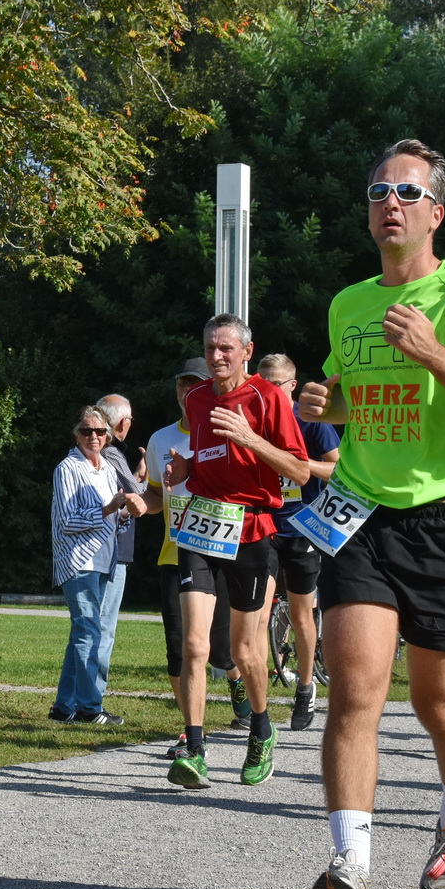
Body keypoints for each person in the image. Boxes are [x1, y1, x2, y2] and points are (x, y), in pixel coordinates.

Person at [297, 139, 445, 889]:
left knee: (439, 704)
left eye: (406, 192)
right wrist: (326, 403)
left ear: (436, 213)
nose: (389, 203)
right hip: (361, 512)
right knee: (355, 688)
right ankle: (350, 865)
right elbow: (353, 400)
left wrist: (432, 352)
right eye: (377, 191)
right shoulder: (349, 303)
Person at [163, 315, 309, 789]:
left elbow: (300, 471)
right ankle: (195, 748)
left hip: (251, 529)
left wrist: (249, 437)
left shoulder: (267, 398)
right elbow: (207, 458)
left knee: (245, 651)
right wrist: (185, 469)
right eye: (210, 348)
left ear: (247, 351)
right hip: (202, 527)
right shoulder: (197, 398)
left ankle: (261, 729)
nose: (216, 356)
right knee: (194, 644)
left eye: (226, 348)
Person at [143, 360, 252, 749]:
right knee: (180, 647)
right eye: (181, 385)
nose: (187, 392)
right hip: (176, 554)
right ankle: (190, 728)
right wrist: (142, 504)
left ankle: (235, 680)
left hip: (220, 553)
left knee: (220, 650)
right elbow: (155, 494)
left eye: (196, 385)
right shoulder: (160, 439)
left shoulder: (227, 430)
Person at [255, 353, 340, 731]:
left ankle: (305, 687)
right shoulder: (252, 420)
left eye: (276, 384)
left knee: (301, 614)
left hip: (303, 528)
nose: (268, 390)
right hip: (263, 527)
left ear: (292, 385)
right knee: (257, 616)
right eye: (263, 383)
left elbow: (339, 468)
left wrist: (301, 468)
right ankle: (258, 701)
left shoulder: (311, 421)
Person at [51, 405, 143, 725]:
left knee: (84, 632)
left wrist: (124, 512)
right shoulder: (68, 468)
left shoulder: (106, 469)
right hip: (78, 562)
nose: (93, 436)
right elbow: (67, 521)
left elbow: (112, 518)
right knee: (89, 633)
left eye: (100, 431)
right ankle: (89, 708)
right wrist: (108, 509)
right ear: (76, 435)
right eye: (87, 431)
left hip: (105, 561)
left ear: (107, 436)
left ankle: (63, 707)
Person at [94, 394, 147, 694]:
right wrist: (146, 476)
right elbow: (136, 493)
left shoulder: (92, 453)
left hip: (99, 549)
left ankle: (79, 697)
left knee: (92, 627)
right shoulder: (111, 452)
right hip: (112, 551)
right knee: (104, 627)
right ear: (123, 422)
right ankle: (93, 697)